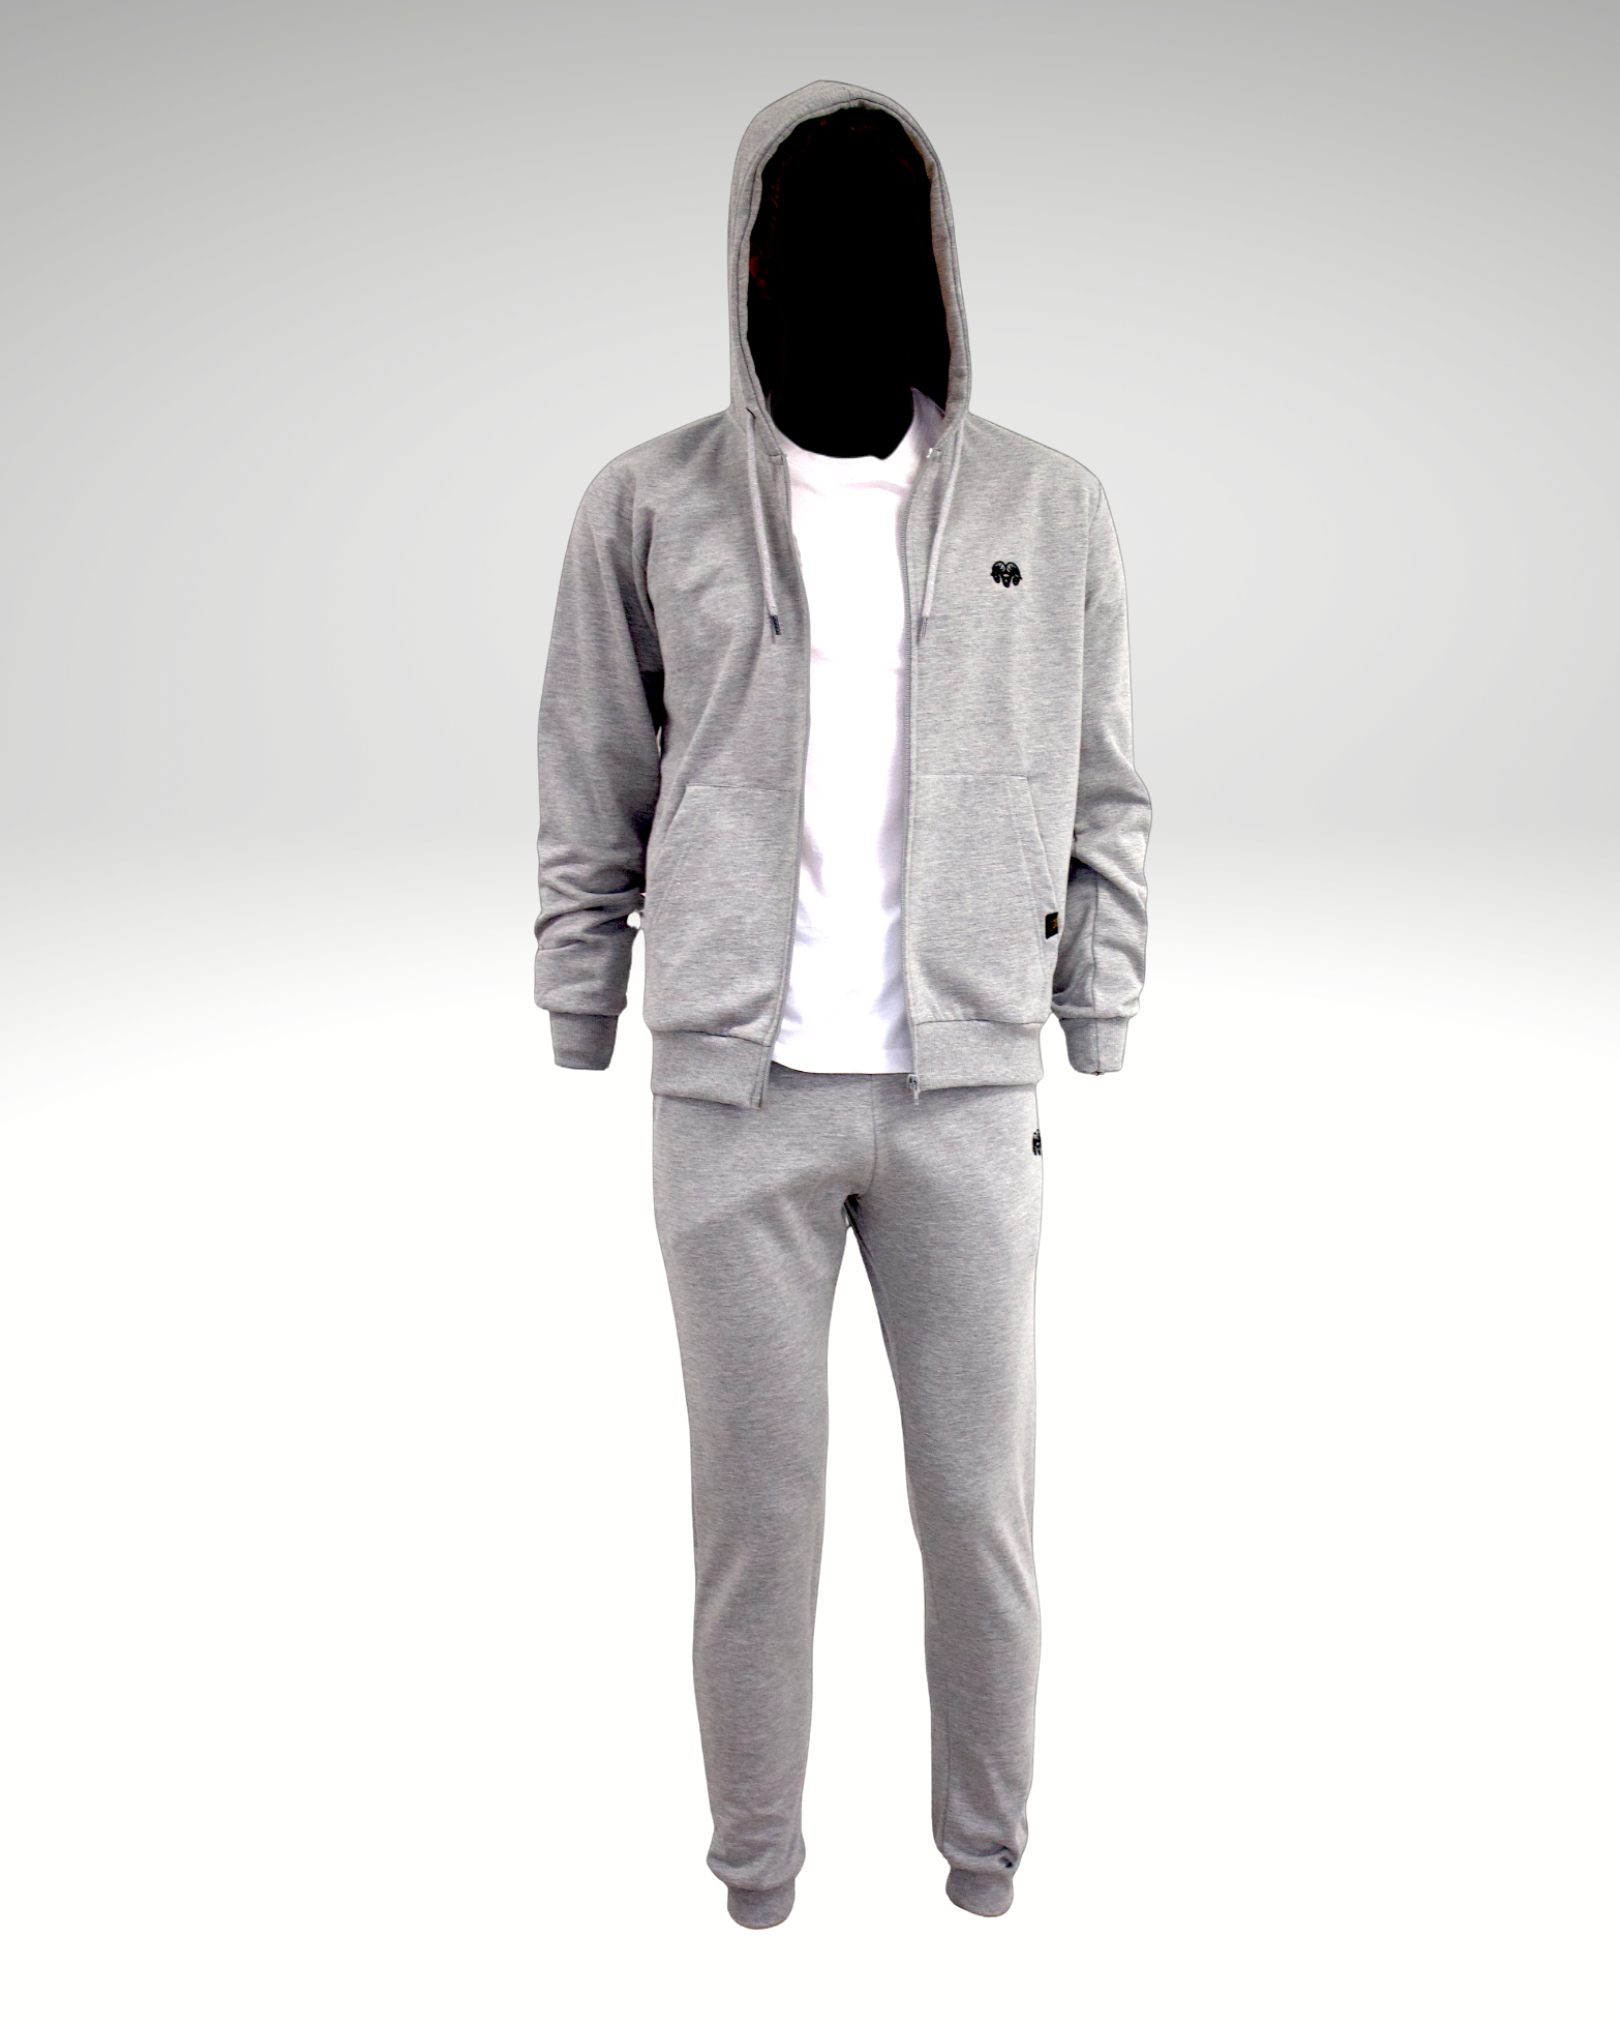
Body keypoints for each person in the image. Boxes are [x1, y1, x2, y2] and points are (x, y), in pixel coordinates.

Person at [533, 80, 1151, 1928]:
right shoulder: (650, 503)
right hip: (735, 1102)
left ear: (936, 256)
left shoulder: (1048, 503)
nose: (846, 262)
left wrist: (1097, 993)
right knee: (757, 1518)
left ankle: (986, 1859)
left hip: (967, 1092)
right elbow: (592, 766)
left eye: (886, 226)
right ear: (747, 254)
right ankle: (757, 1872)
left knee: (978, 1510)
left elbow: (1105, 779)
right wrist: (583, 992)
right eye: (807, 226)